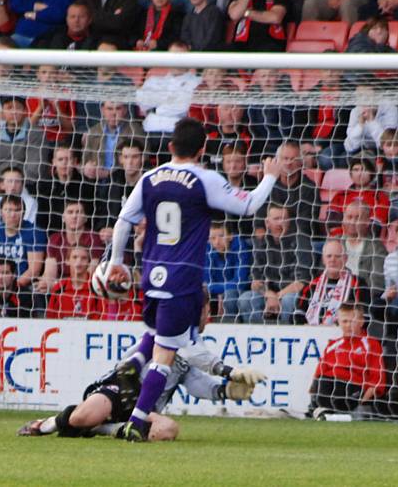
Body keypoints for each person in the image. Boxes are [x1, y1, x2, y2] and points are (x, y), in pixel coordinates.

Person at [105, 117, 281, 441]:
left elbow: (123, 221)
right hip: (182, 277)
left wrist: (116, 262)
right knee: (166, 356)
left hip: (150, 276)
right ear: (202, 149)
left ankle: (132, 367)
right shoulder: (205, 179)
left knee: (159, 339)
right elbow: (251, 205)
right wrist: (269, 177)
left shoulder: (149, 177)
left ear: (170, 146)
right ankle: (138, 421)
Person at [18, 287, 264, 440]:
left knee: (167, 430)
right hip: (121, 391)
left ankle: (106, 429)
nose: (204, 316)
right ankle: (48, 424)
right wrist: (228, 371)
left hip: (147, 409)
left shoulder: (193, 345)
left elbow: (195, 381)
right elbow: (134, 358)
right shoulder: (166, 331)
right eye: (201, 310)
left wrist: (225, 391)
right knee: (85, 416)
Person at [238, 204, 313, 324]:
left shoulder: (301, 241)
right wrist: (268, 294)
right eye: (276, 219)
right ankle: (257, 336)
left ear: (289, 222)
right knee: (245, 299)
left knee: (289, 300)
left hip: (291, 293)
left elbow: (302, 282)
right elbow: (255, 282)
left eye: (284, 219)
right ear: (267, 223)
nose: (280, 223)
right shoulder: (261, 243)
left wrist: (277, 296)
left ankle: (285, 336)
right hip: (268, 294)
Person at [309, 303, 386, 415]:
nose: (348, 325)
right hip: (328, 387)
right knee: (324, 380)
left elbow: (377, 377)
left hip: (352, 388)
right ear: (339, 322)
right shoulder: (333, 345)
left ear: (361, 322)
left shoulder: (370, 344)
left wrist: (363, 401)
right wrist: (314, 391)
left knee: (336, 386)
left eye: (353, 321)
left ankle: (321, 412)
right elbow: (319, 373)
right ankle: (320, 410)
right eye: (345, 321)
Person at [294, 240, 369, 325]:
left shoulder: (358, 284)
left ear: (345, 259)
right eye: (329, 256)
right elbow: (297, 315)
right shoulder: (311, 285)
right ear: (323, 259)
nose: (332, 260)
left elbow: (363, 317)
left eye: (337, 256)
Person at [0, 194, 46, 289]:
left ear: (24, 212)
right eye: (8, 210)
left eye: (17, 210)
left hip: (24, 286)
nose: (13, 214)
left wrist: (13, 288)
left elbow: (34, 270)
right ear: (1, 212)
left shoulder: (35, 233)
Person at [204, 222, 251, 322]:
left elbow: (240, 282)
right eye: (212, 238)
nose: (217, 242)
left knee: (229, 296)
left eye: (221, 236)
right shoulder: (207, 249)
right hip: (215, 293)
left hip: (240, 291)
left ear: (230, 236)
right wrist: (221, 291)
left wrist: (222, 291)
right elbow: (205, 283)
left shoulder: (240, 247)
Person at [46, 246, 106, 320]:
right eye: (75, 257)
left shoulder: (97, 287)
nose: (79, 262)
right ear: (67, 261)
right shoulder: (59, 288)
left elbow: (103, 318)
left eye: (84, 258)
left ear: (89, 262)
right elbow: (50, 317)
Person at [8, 0, 77, 48]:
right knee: (2, 48)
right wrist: (35, 6)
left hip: (47, 39)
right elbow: (14, 3)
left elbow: (59, 14)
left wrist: (34, 15)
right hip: (21, 35)